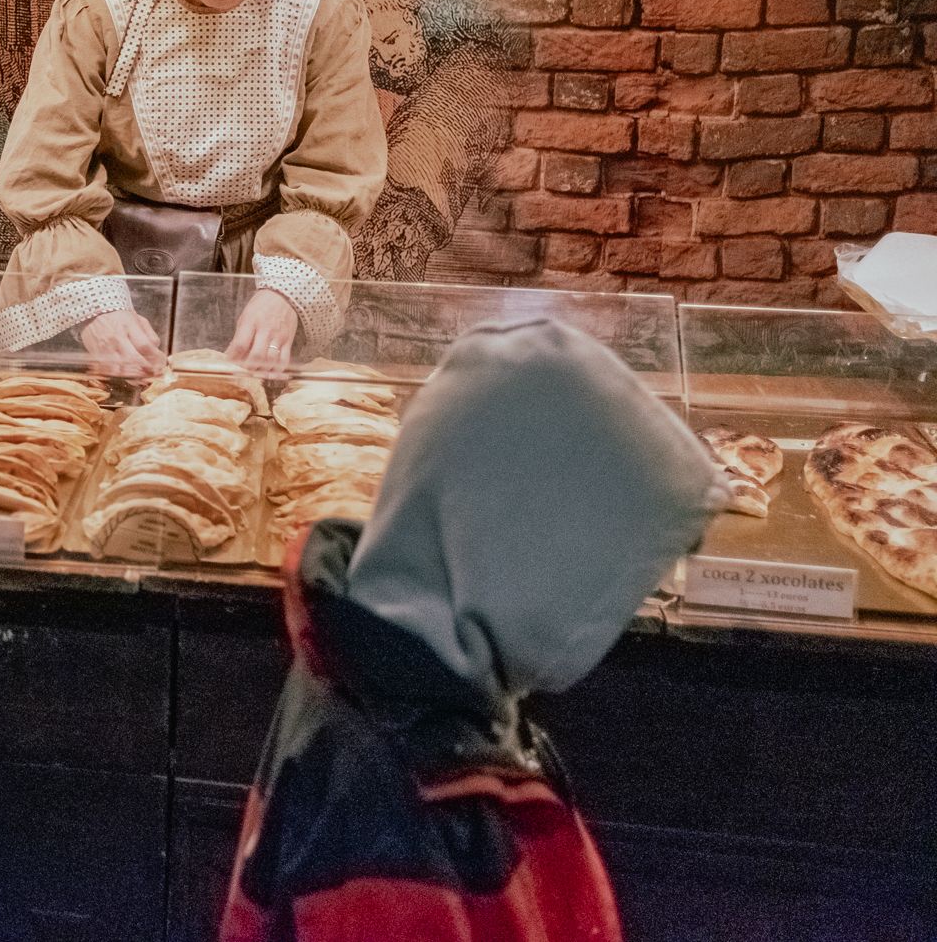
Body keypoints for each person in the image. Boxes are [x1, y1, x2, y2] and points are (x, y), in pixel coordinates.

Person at [220, 319, 723, 942]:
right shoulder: (392, 809)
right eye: (616, 585)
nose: (624, 616)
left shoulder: (399, 670)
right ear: (525, 567)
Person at [0, 0, 387, 374]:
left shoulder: (323, 13)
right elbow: (40, 181)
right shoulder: (99, 11)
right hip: (112, 269)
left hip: (258, 275)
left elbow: (337, 174)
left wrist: (284, 293)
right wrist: (95, 303)